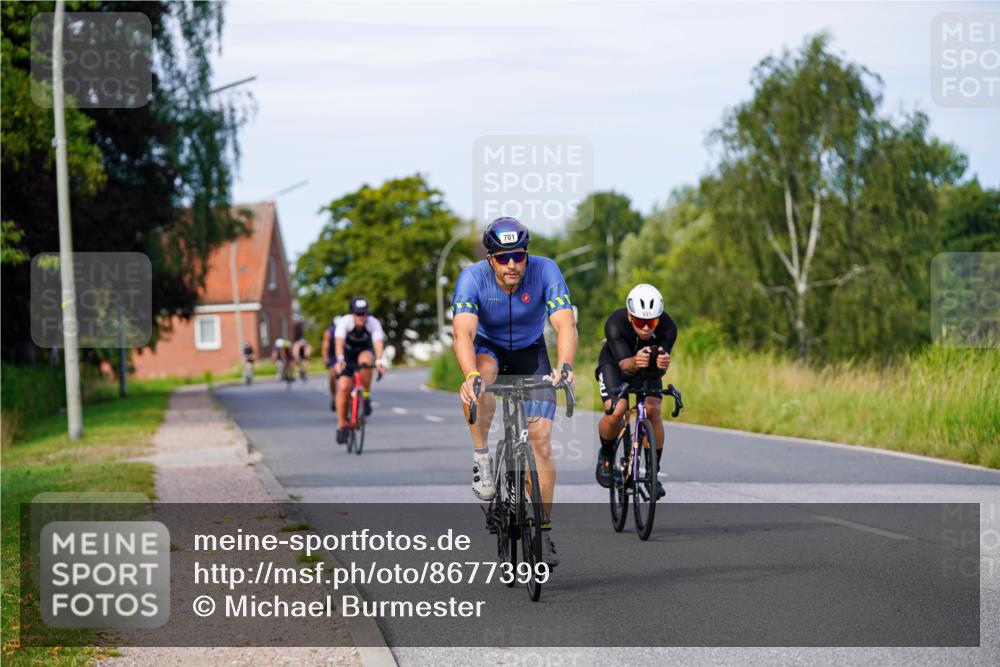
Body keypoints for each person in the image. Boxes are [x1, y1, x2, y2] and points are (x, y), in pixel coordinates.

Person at [452, 216, 577, 567]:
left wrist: (565, 366)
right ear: (490, 259)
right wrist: (470, 375)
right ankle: (482, 459)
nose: (512, 264)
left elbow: (565, 323)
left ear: (527, 255)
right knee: (482, 378)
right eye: (503, 258)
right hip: (489, 350)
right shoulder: (472, 278)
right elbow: (463, 333)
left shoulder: (545, 270)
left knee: (540, 441)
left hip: (530, 353)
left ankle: (543, 528)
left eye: (518, 256)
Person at [594, 283, 677, 499]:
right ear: (630, 317)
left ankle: (652, 472)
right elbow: (624, 365)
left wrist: (663, 364)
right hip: (615, 363)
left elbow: (659, 366)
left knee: (653, 409)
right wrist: (634, 361)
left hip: (647, 366)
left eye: (652, 322)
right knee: (617, 411)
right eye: (641, 322)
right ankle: (606, 453)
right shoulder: (615, 323)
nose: (647, 328)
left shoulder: (668, 327)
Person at [322, 297, 387, 445]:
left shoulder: (373, 323)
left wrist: (379, 361)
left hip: (364, 351)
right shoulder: (345, 322)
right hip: (347, 354)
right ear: (352, 313)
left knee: (366, 362)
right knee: (344, 386)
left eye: (364, 313)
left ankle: (366, 396)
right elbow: (339, 343)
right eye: (358, 314)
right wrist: (340, 359)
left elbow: (378, 343)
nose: (361, 317)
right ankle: (341, 425)